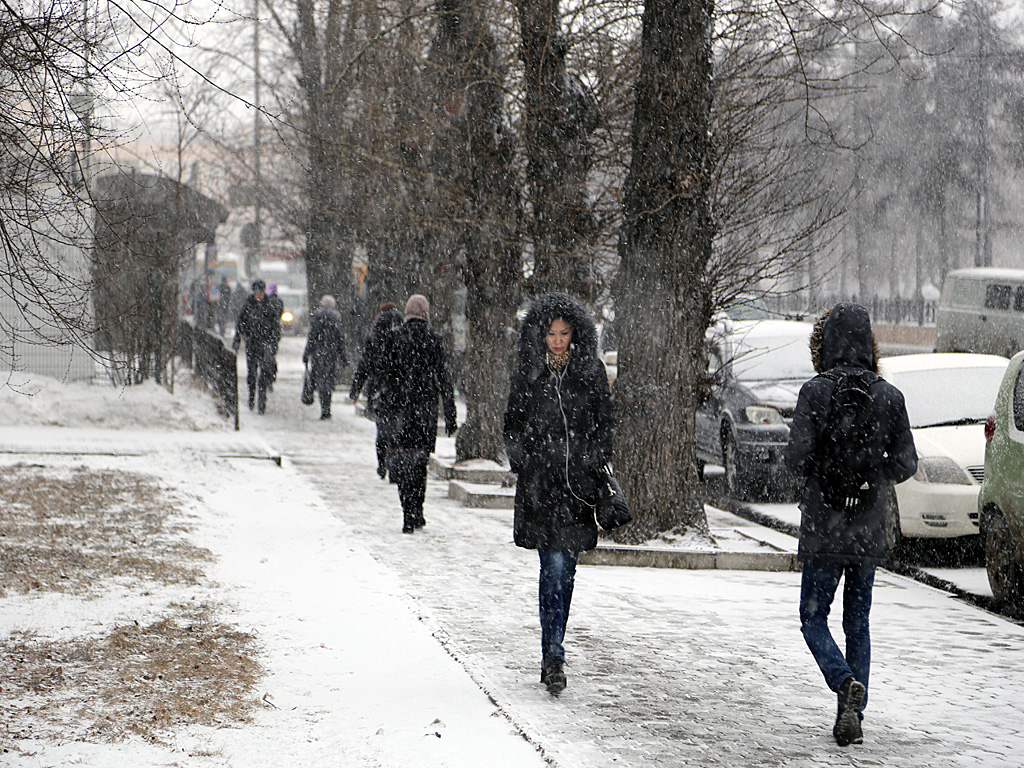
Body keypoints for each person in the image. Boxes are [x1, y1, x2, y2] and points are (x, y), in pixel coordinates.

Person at [784, 302, 917, 747]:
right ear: (869, 342)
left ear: (825, 344)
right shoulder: (889, 396)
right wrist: (870, 472)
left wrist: (826, 467)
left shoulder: (815, 392)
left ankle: (843, 683)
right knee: (857, 622)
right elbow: (905, 464)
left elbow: (796, 459)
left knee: (812, 617)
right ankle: (853, 713)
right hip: (867, 527)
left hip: (825, 526)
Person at [503, 292, 614, 695]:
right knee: (551, 567)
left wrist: (591, 458)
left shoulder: (591, 372)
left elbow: (605, 425)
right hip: (540, 487)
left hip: (578, 490)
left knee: (566, 571)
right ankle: (553, 654)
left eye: (564, 333)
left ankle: (555, 645)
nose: (557, 340)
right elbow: (511, 424)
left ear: (576, 334)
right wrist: (524, 458)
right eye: (551, 333)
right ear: (540, 334)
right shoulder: (528, 372)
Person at [380, 294, 457, 534]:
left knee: (403, 462)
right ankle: (417, 511)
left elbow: (386, 375)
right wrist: (450, 413)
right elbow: (444, 378)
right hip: (425, 409)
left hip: (400, 408)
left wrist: (385, 405)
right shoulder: (433, 339)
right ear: (426, 313)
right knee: (420, 463)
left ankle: (407, 512)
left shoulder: (394, 337)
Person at [349, 302, 404, 478]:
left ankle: (382, 464)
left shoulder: (375, 335)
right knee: (397, 430)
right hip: (400, 389)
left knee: (382, 429)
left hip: (380, 389)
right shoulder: (403, 331)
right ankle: (395, 466)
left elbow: (364, 365)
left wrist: (355, 391)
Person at [232, 279, 282, 414]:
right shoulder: (248, 306)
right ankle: (251, 396)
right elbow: (240, 324)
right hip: (252, 344)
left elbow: (275, 326)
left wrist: (273, 343)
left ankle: (262, 400)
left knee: (264, 373)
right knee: (252, 373)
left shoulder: (269, 307)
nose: (259, 295)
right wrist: (237, 340)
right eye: (256, 292)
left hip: (265, 344)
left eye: (260, 292)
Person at [302, 295, 348, 420]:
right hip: (331, 356)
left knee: (320, 381)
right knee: (329, 382)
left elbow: (311, 338)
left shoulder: (317, 319)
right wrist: (344, 359)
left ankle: (324, 407)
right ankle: (327, 408)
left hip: (318, 355)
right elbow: (340, 341)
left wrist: (306, 354)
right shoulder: (336, 320)